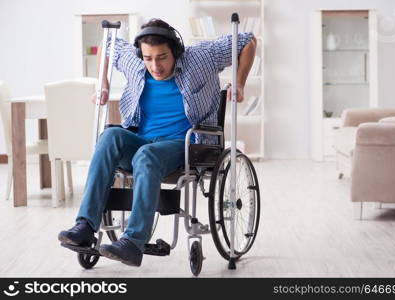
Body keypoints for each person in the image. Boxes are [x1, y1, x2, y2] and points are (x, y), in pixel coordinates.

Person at [58, 18, 256, 267]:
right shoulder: (134, 60)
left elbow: (247, 40)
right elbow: (108, 44)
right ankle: (85, 225)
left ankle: (133, 242)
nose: (155, 66)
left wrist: (239, 82)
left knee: (146, 155)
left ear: (175, 50)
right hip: (141, 139)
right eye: (148, 58)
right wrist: (103, 84)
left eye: (162, 57)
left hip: (185, 144)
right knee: (109, 136)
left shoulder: (202, 57)